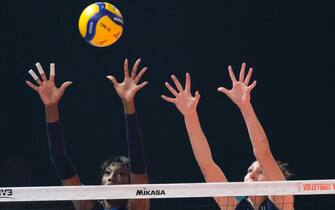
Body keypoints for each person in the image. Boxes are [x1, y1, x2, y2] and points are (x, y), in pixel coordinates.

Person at [161, 63, 294, 210]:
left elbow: (263, 154)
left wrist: (245, 107)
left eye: (261, 171)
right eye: (249, 170)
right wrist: (190, 116)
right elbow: (207, 166)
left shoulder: (283, 201)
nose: (252, 175)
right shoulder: (234, 206)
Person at [26, 59, 150, 210]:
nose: (112, 178)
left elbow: (137, 156)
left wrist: (128, 103)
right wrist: (51, 106)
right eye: (107, 173)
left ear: (131, 181)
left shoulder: (138, 205)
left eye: (121, 174)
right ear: (101, 181)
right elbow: (60, 160)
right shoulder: (86, 205)